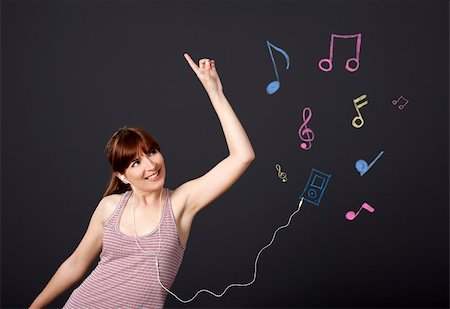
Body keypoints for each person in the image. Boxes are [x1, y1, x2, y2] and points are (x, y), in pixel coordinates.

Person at [29, 53, 255, 308]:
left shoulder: (180, 203)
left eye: (151, 152)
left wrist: (215, 93)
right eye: (136, 163)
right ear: (122, 175)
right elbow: (76, 264)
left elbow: (242, 156)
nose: (151, 165)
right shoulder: (110, 208)